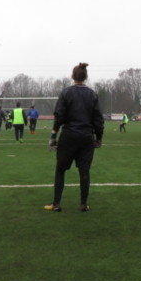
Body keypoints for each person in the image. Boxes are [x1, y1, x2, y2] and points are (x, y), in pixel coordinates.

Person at [45, 62, 104, 212]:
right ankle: (83, 204)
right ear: (86, 77)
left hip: (69, 136)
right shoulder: (92, 94)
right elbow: (98, 119)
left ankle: (56, 204)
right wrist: (99, 137)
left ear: (72, 76)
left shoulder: (66, 93)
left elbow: (59, 116)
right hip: (86, 137)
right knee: (84, 171)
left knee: (60, 170)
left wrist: (53, 136)